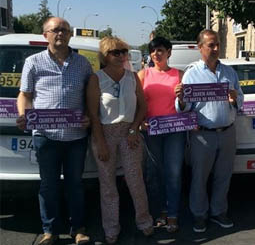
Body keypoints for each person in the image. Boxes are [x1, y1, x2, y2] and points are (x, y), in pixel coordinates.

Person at [16, 17, 91, 245]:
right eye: (55, 30)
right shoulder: (33, 62)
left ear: (70, 35)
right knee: (48, 185)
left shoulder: (83, 63)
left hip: (76, 137)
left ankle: (78, 228)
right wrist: (23, 114)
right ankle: (50, 230)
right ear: (45, 34)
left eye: (64, 30)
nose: (60, 33)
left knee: (75, 185)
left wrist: (88, 116)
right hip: (45, 137)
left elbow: (90, 96)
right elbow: (25, 95)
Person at [86, 36, 153, 244]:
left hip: (129, 133)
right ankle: (111, 228)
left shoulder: (133, 77)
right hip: (104, 133)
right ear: (105, 56)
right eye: (116, 52)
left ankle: (144, 221)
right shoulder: (96, 79)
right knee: (108, 185)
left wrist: (134, 129)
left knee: (135, 180)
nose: (121, 56)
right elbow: (93, 114)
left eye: (123, 52)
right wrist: (101, 143)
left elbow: (142, 106)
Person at [178, 29, 244, 233]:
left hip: (227, 132)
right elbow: (185, 107)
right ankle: (199, 214)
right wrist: (181, 99)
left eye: (217, 44)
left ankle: (218, 211)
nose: (216, 49)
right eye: (211, 45)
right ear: (200, 48)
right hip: (202, 135)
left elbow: (241, 99)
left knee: (223, 176)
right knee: (199, 177)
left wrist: (235, 98)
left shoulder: (229, 72)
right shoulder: (192, 73)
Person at [138, 36, 186, 233]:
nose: (156, 54)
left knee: (173, 173)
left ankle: (173, 213)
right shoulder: (143, 74)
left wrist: (182, 98)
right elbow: (138, 104)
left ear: (169, 52)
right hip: (152, 130)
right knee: (154, 174)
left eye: (161, 50)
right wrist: (140, 121)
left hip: (175, 131)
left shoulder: (180, 75)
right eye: (153, 50)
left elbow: (186, 106)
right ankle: (160, 212)